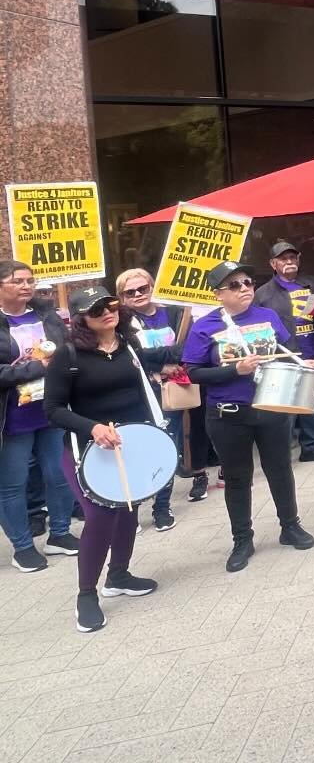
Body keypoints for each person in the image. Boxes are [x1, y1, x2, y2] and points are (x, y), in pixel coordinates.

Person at [44, 285, 179, 631]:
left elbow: (156, 371)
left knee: (129, 510)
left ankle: (119, 575)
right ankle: (86, 595)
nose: (106, 311)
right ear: (81, 320)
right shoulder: (68, 355)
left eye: (109, 304)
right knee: (101, 517)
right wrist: (92, 429)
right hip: (87, 452)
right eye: (96, 309)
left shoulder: (129, 347)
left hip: (129, 446)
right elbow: (53, 410)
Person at [183, 260, 314, 573]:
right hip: (228, 413)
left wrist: (302, 365)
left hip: (270, 405)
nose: (244, 289)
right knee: (238, 477)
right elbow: (193, 373)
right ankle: (242, 538)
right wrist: (235, 370)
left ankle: (290, 526)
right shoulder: (205, 326)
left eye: (247, 283)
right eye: (234, 285)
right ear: (218, 294)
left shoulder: (267, 316)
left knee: (280, 469)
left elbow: (287, 350)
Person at [0, 260, 75, 573]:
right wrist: (35, 368)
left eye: (30, 280)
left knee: (59, 475)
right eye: (18, 281)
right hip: (12, 417)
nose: (27, 286)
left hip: (50, 408)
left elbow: (66, 347)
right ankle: (22, 547)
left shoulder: (46, 313)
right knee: (13, 484)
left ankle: (59, 534)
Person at [115, 267, 190, 530]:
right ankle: (131, 511)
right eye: (130, 292)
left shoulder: (175, 312)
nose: (138, 294)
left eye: (142, 288)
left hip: (170, 392)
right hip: (138, 393)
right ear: (122, 297)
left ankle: (162, 507)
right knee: (136, 451)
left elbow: (187, 347)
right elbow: (134, 354)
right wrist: (163, 361)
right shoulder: (120, 323)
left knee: (168, 447)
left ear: (152, 287)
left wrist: (160, 356)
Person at [253, 241, 314, 464]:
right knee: (283, 405)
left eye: (293, 257)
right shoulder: (262, 294)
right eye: (283, 258)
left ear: (299, 260)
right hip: (285, 354)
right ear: (273, 264)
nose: (289, 262)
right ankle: (280, 453)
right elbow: (256, 327)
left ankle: (311, 447)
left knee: (313, 402)